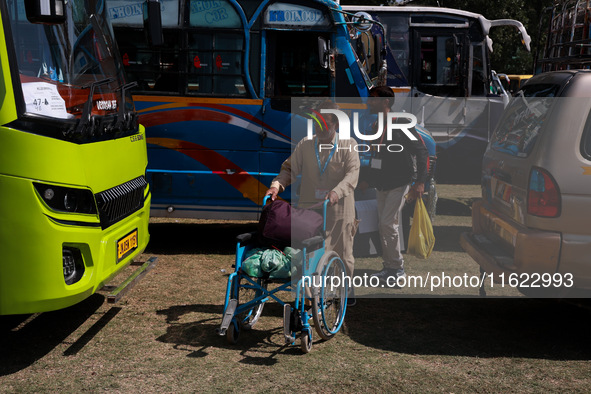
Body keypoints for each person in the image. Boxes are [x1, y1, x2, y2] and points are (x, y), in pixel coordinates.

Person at [265, 100, 360, 304]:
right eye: (317, 123)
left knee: (343, 253)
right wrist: (276, 186)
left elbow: (352, 174)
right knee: (309, 255)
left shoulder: (348, 144)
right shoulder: (306, 145)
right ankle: (312, 298)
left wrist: (336, 192)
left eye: (324, 123)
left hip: (339, 210)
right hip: (310, 210)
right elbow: (289, 170)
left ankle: (345, 289)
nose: (320, 128)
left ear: (335, 123)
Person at [361, 86, 429, 282]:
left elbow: (422, 152)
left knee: (387, 224)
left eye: (373, 98)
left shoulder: (400, 123)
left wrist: (420, 182)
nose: (369, 102)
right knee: (385, 226)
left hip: (399, 183)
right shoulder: (376, 125)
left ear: (386, 102)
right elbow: (377, 156)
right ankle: (389, 267)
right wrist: (368, 180)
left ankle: (397, 269)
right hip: (382, 185)